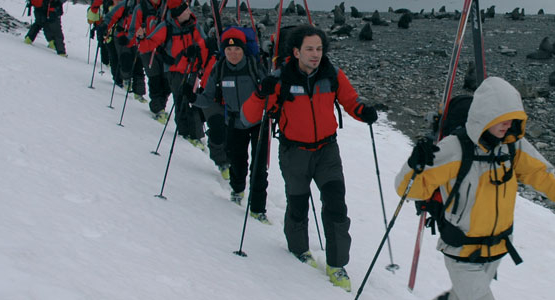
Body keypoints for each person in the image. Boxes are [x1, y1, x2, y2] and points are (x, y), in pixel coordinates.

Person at [393, 77, 555, 300]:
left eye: (513, 119)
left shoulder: (512, 147)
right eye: (502, 120)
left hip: (497, 248)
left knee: (463, 296)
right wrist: (414, 166)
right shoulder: (455, 148)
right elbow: (408, 190)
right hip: (461, 251)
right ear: (485, 116)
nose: (508, 125)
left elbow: (545, 180)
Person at [245, 24, 379, 292]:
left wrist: (363, 110)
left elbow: (350, 100)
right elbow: (249, 116)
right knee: (297, 204)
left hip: (327, 151)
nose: (315, 54)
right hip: (294, 152)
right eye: (309, 49)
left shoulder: (331, 74)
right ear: (296, 51)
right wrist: (261, 92)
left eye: (319, 48)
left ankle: (336, 264)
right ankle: (299, 249)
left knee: (336, 206)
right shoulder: (280, 79)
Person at [195, 28, 267, 212]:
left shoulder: (254, 66)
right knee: (238, 160)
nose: (233, 54)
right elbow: (208, 96)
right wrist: (192, 97)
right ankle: (237, 190)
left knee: (258, 167)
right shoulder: (220, 69)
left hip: (258, 121)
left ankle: (258, 208)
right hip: (234, 121)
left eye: (237, 50)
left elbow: (270, 90)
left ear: (243, 50)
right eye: (228, 50)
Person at [144, 0, 214, 153]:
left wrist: (199, 56)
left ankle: (194, 133)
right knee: (181, 98)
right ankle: (186, 132)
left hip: (192, 69)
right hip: (174, 69)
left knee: (191, 99)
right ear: (177, 12)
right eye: (185, 9)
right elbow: (150, 43)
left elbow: (203, 44)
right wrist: (140, 39)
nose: (189, 11)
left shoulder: (194, 25)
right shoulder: (166, 26)